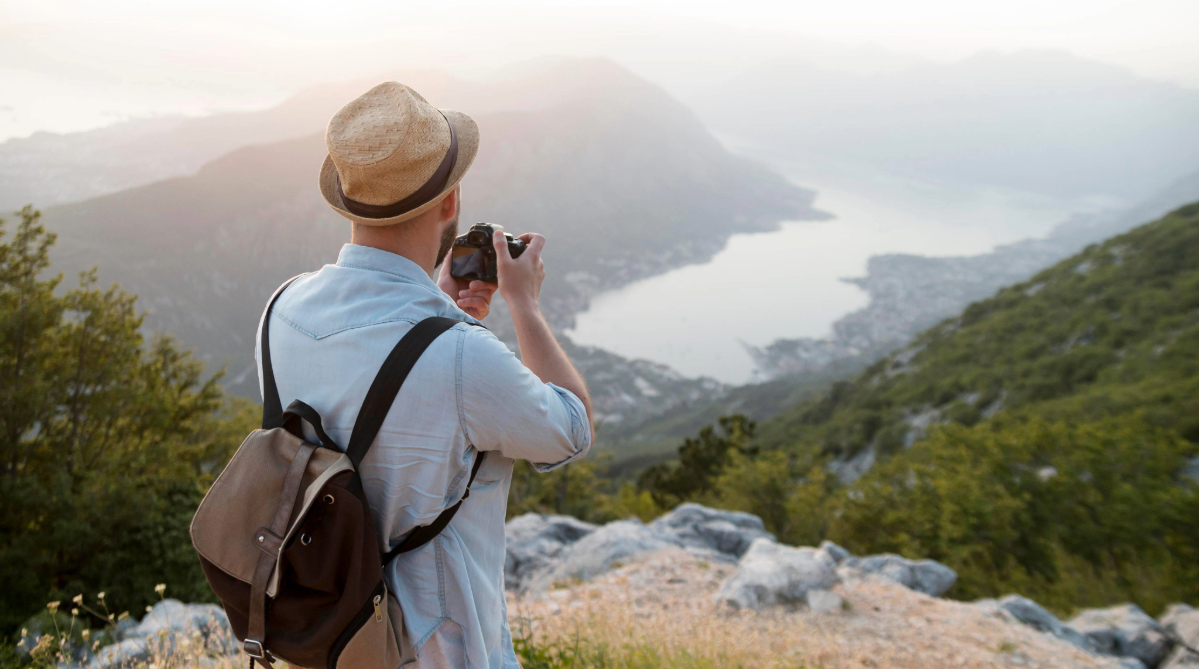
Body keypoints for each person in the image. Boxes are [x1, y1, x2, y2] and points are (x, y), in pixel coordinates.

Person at [255, 82, 593, 669]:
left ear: (348, 200)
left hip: (319, 636)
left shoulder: (281, 309)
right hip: (436, 648)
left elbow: (359, 389)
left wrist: (435, 315)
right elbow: (571, 427)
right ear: (449, 202)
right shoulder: (462, 357)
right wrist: (525, 305)